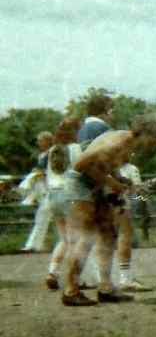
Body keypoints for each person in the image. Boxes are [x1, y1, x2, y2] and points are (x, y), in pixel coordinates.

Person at [62, 114, 156, 306]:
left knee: (108, 234)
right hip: (80, 184)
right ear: (147, 132)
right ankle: (70, 290)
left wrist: (118, 178)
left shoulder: (127, 143)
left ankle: (106, 287)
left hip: (94, 183)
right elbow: (81, 164)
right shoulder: (120, 141)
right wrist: (112, 182)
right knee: (87, 235)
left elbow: (105, 164)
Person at [44, 117, 82, 290]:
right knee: (75, 240)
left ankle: (52, 271)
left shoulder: (52, 150)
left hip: (53, 196)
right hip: (69, 194)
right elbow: (81, 168)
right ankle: (74, 279)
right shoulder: (75, 148)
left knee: (64, 239)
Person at [114, 159, 151, 291]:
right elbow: (135, 190)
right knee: (125, 235)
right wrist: (141, 198)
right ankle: (125, 278)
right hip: (123, 204)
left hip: (110, 202)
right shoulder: (132, 169)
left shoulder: (109, 165)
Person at [19, 131, 53, 252]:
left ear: (48, 141)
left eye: (41, 140)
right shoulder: (41, 155)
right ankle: (35, 244)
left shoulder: (52, 153)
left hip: (51, 187)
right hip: (43, 187)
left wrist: (43, 173)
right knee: (42, 215)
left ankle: (34, 244)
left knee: (43, 214)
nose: (39, 143)